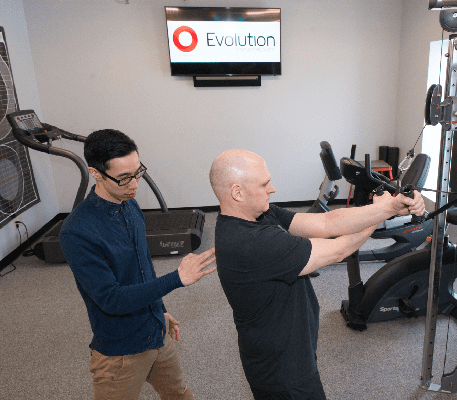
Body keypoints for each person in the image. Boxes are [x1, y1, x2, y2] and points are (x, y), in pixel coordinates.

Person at [209, 149, 425, 400]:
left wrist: (386, 207)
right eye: (265, 184)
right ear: (237, 192)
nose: (273, 189)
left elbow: (327, 223)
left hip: (286, 351)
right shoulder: (251, 243)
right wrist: (385, 211)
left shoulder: (259, 215)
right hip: (284, 373)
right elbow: (339, 249)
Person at [60, 129, 216, 400]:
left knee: (179, 394)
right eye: (123, 177)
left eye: (137, 172)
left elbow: (143, 268)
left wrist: (160, 311)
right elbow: (111, 299)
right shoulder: (77, 231)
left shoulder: (129, 205)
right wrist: (177, 279)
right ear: (95, 173)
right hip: (120, 353)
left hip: (156, 332)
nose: (134, 184)